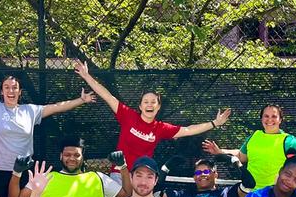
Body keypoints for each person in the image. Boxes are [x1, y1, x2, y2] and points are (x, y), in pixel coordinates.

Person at [0, 32, 96, 197]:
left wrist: (81, 100)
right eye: (7, 88)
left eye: (14, 88)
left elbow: (58, 106)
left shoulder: (31, 111)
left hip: (23, 173)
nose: (11, 91)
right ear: (1, 91)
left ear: (20, 92)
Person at [73, 59, 231, 175]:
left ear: (158, 106)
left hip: (142, 177)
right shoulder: (128, 115)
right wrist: (87, 76)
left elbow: (188, 130)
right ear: (140, 106)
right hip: (118, 175)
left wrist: (215, 123)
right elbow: (107, 96)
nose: (149, 105)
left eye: (153, 102)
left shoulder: (161, 128)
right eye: (146, 102)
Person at [202, 104, 296, 189]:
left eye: (274, 116)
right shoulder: (254, 136)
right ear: (261, 119)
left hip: (277, 195)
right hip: (252, 194)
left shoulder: (289, 140)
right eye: (266, 116)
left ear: (280, 120)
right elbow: (241, 156)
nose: (269, 119)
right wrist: (220, 151)